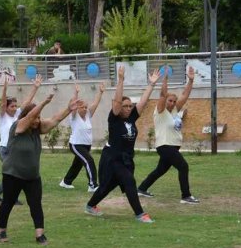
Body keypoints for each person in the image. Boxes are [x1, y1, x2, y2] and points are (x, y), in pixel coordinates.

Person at [0, 89, 80, 245]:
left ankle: (39, 234)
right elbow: (29, 117)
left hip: (32, 176)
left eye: (39, 118)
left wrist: (69, 109)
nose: (37, 121)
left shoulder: (37, 129)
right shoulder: (17, 127)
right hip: (12, 174)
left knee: (35, 204)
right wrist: (43, 103)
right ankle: (1, 230)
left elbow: (55, 119)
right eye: (35, 117)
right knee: (8, 202)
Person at [84, 65, 160, 222]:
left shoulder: (131, 118)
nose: (127, 108)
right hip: (112, 158)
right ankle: (140, 214)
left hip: (126, 159)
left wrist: (151, 84)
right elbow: (117, 101)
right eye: (125, 106)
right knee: (129, 181)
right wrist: (120, 80)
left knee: (108, 186)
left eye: (129, 106)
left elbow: (143, 102)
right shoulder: (114, 119)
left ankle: (90, 205)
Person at [137, 66, 199, 204]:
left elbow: (185, 95)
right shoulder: (160, 111)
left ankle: (141, 189)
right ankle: (186, 196)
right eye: (169, 101)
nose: (171, 103)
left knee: (160, 170)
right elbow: (163, 95)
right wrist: (165, 79)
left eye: (173, 101)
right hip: (165, 146)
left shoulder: (175, 111)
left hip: (173, 146)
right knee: (183, 166)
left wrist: (191, 81)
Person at [0, 75, 41, 203]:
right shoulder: (2, 116)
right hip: (5, 150)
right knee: (14, 174)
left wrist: (35, 87)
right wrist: (4, 89)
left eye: (15, 106)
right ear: (6, 107)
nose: (14, 108)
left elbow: (27, 102)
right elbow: (2, 103)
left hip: (14, 150)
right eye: (11, 106)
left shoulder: (17, 115)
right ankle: (11, 198)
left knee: (13, 174)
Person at [59, 82, 105, 192]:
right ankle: (93, 185)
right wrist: (76, 93)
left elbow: (95, 103)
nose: (84, 109)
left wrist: (100, 92)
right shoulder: (74, 117)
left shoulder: (88, 115)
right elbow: (72, 106)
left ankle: (66, 182)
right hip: (76, 144)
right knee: (89, 161)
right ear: (77, 108)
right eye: (82, 107)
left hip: (86, 146)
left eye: (85, 107)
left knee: (77, 165)